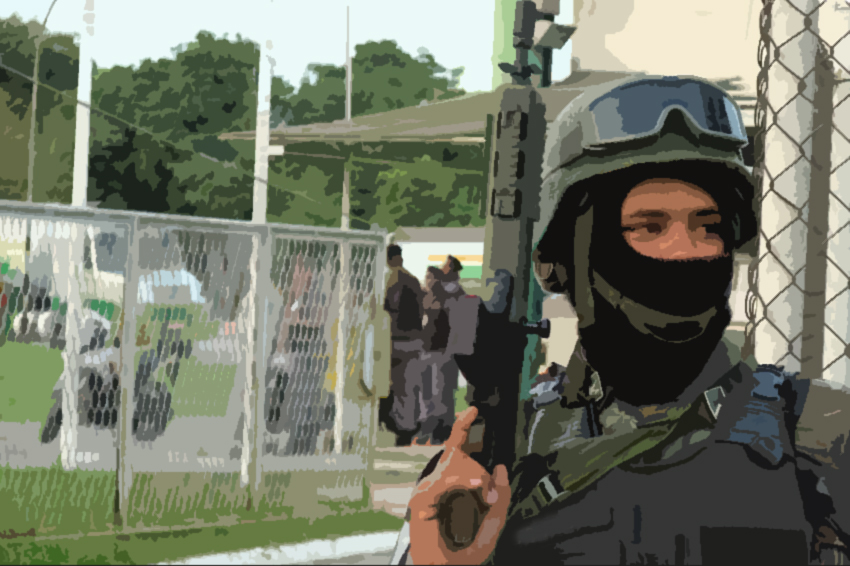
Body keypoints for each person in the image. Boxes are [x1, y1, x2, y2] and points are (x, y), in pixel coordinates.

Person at [391, 75, 850, 565]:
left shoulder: (820, 432)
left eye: (708, 227)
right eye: (648, 226)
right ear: (577, 252)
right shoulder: (494, 453)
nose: (684, 251)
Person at [417, 255, 466, 445]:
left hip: (443, 350)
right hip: (428, 349)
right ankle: (429, 429)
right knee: (427, 393)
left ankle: (441, 431)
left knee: (441, 393)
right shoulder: (429, 295)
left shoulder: (451, 294)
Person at [383, 244, 427, 446]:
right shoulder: (413, 280)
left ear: (388, 259)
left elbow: (389, 309)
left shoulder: (391, 279)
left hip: (393, 340)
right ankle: (405, 428)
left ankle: (394, 425)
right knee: (407, 389)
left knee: (388, 385)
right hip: (414, 341)